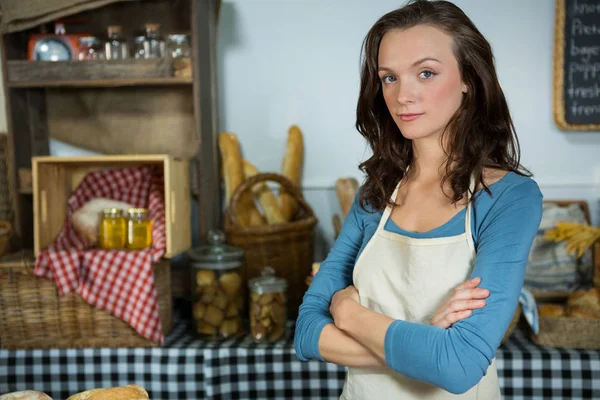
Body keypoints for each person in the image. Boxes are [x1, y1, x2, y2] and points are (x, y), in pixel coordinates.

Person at [293, 1, 543, 399]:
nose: (402, 95)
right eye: (389, 78)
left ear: (469, 79)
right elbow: (307, 333)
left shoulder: (509, 198)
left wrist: (348, 313)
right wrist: (428, 344)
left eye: (426, 73)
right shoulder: (375, 193)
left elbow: (460, 365)